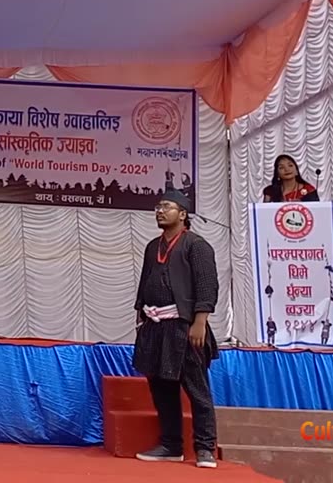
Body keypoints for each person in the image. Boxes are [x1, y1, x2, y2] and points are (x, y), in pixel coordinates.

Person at [132, 188, 220, 469]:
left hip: (185, 326)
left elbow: (207, 286)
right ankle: (171, 445)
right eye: (158, 206)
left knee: (197, 390)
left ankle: (205, 448)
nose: (160, 210)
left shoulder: (197, 245)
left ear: (182, 214)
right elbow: (145, 283)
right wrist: (140, 318)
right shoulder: (151, 247)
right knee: (161, 388)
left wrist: (200, 322)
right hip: (155, 326)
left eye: (167, 207)